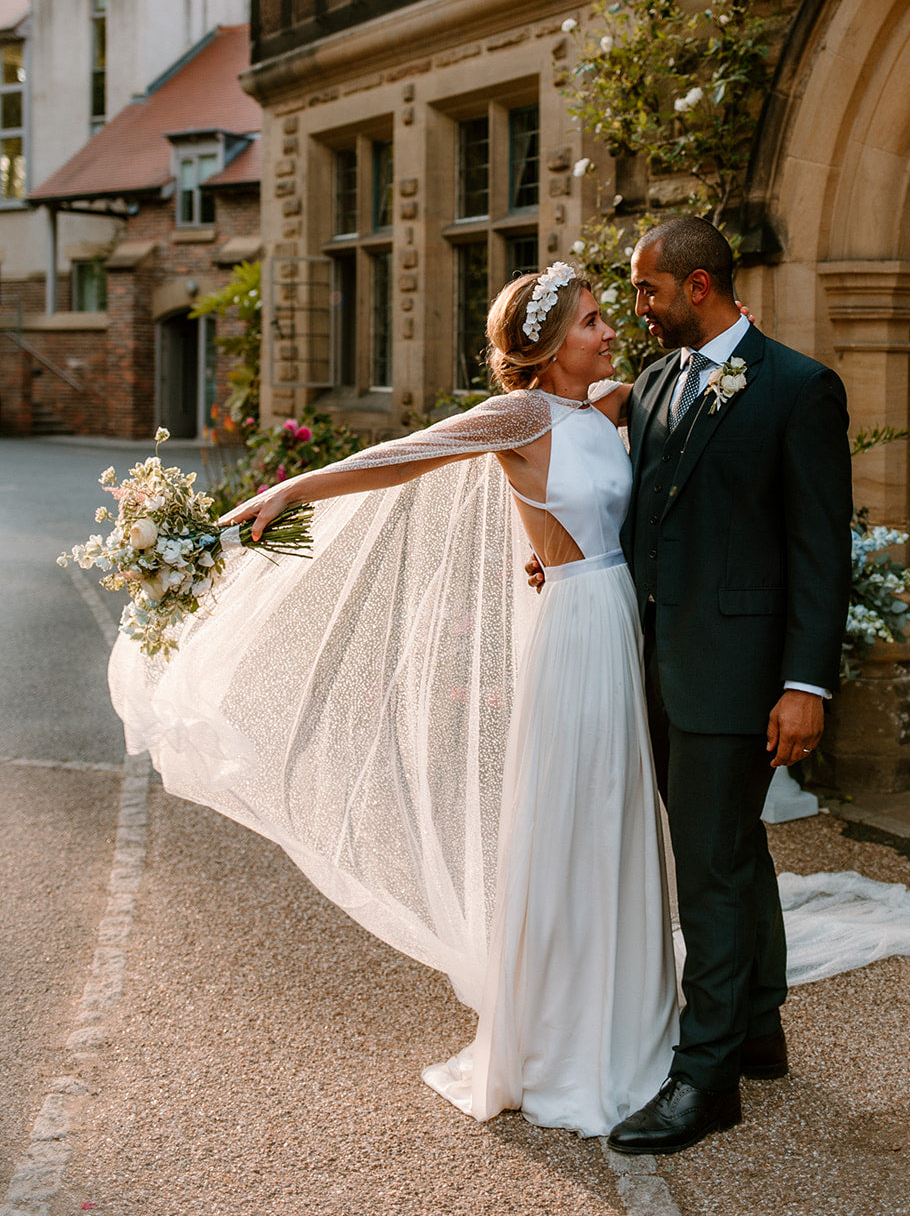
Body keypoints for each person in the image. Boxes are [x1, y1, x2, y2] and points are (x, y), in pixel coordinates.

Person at [108, 261, 677, 1140]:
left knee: (614, 806)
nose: (610, 332)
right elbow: (397, 459)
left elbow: (631, 456)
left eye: (607, 318)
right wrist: (288, 490)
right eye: (594, 321)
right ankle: (563, 1032)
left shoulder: (600, 407)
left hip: (612, 617)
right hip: (572, 626)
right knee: (571, 809)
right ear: (547, 342)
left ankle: (625, 1000)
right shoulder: (522, 413)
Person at [602, 215, 854, 1154]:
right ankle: (757, 1028)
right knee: (729, 847)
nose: (638, 306)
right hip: (658, 661)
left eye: (646, 290)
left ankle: (702, 1079)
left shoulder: (797, 388)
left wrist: (806, 685)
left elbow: (820, 549)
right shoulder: (659, 383)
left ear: (697, 285)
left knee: (704, 869)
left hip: (741, 676)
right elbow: (646, 519)